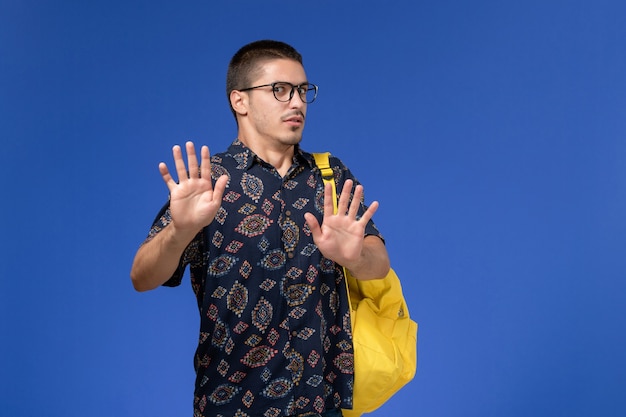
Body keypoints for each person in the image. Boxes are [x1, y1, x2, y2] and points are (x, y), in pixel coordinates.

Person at [130, 39, 390, 417]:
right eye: (280, 91)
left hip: (321, 403)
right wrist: (180, 230)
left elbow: (378, 263)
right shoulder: (208, 182)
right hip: (231, 402)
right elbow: (142, 276)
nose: (297, 102)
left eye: (302, 90)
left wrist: (356, 257)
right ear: (240, 101)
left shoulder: (329, 176)